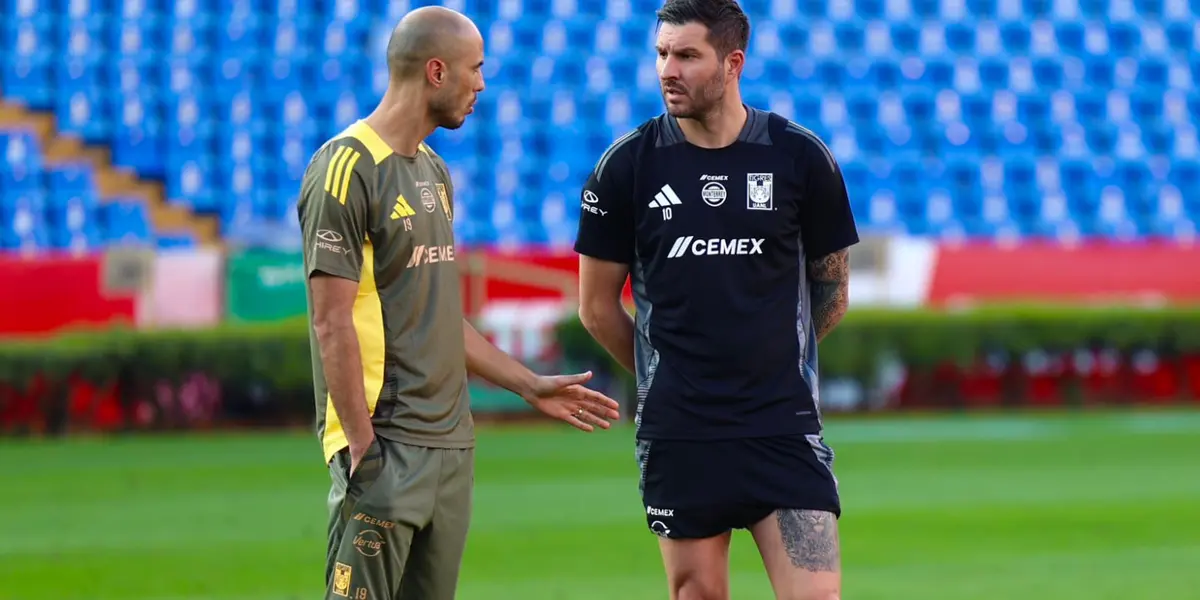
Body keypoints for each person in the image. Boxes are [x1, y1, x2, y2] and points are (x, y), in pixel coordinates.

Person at [297, 7, 622, 600]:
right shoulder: (345, 168)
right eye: (476, 70)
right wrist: (362, 446)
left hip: (451, 448)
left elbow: (440, 314)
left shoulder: (434, 173)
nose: (482, 85)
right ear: (437, 71)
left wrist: (528, 384)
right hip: (386, 444)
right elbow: (330, 320)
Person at [573, 0, 858, 599]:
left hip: (782, 423)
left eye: (686, 55)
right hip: (681, 431)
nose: (666, 70)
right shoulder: (624, 167)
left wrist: (767, 363)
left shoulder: (800, 157)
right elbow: (596, 308)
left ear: (733, 63)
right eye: (660, 54)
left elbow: (832, 292)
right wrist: (670, 375)